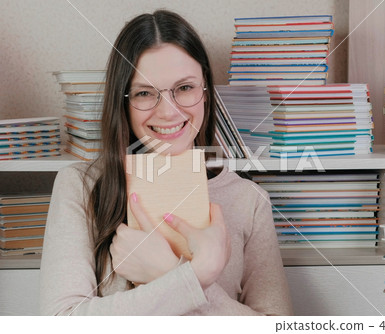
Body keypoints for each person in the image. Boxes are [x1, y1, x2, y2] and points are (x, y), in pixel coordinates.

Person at [40, 10, 293, 316]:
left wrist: (169, 271)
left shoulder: (249, 201)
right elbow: (61, 319)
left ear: (206, 93)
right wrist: (195, 276)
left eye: (184, 88)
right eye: (145, 93)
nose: (169, 112)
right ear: (123, 102)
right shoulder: (79, 187)